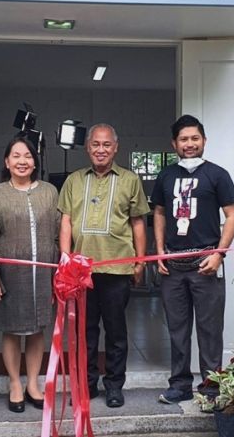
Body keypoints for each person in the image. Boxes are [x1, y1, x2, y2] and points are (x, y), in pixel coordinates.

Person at [58, 123, 149, 408]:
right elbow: (66, 221)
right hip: (80, 271)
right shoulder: (73, 180)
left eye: (106, 144)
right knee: (84, 333)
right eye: (95, 144)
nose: (101, 150)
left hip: (117, 269)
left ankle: (114, 386)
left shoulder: (130, 180)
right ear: (87, 148)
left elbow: (138, 222)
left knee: (116, 332)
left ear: (116, 147)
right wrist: (65, 258)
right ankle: (85, 386)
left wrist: (140, 262)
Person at [151, 114, 234, 405]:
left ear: (203, 140)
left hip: (206, 265)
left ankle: (212, 388)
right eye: (183, 140)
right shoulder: (165, 176)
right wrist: (160, 251)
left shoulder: (217, 174)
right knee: (177, 330)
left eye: (195, 138)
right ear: (174, 144)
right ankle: (179, 385)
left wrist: (218, 254)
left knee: (210, 330)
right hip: (173, 266)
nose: (189, 145)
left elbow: (232, 216)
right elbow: (160, 214)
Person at [0, 135, 60, 413]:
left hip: (43, 274)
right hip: (10, 274)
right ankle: (15, 383)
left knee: (38, 330)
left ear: (35, 162)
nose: (22, 161)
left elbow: (58, 233)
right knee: (12, 331)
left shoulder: (49, 191)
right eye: (16, 155)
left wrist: (59, 271)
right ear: (7, 161)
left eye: (27, 156)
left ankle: (33, 384)